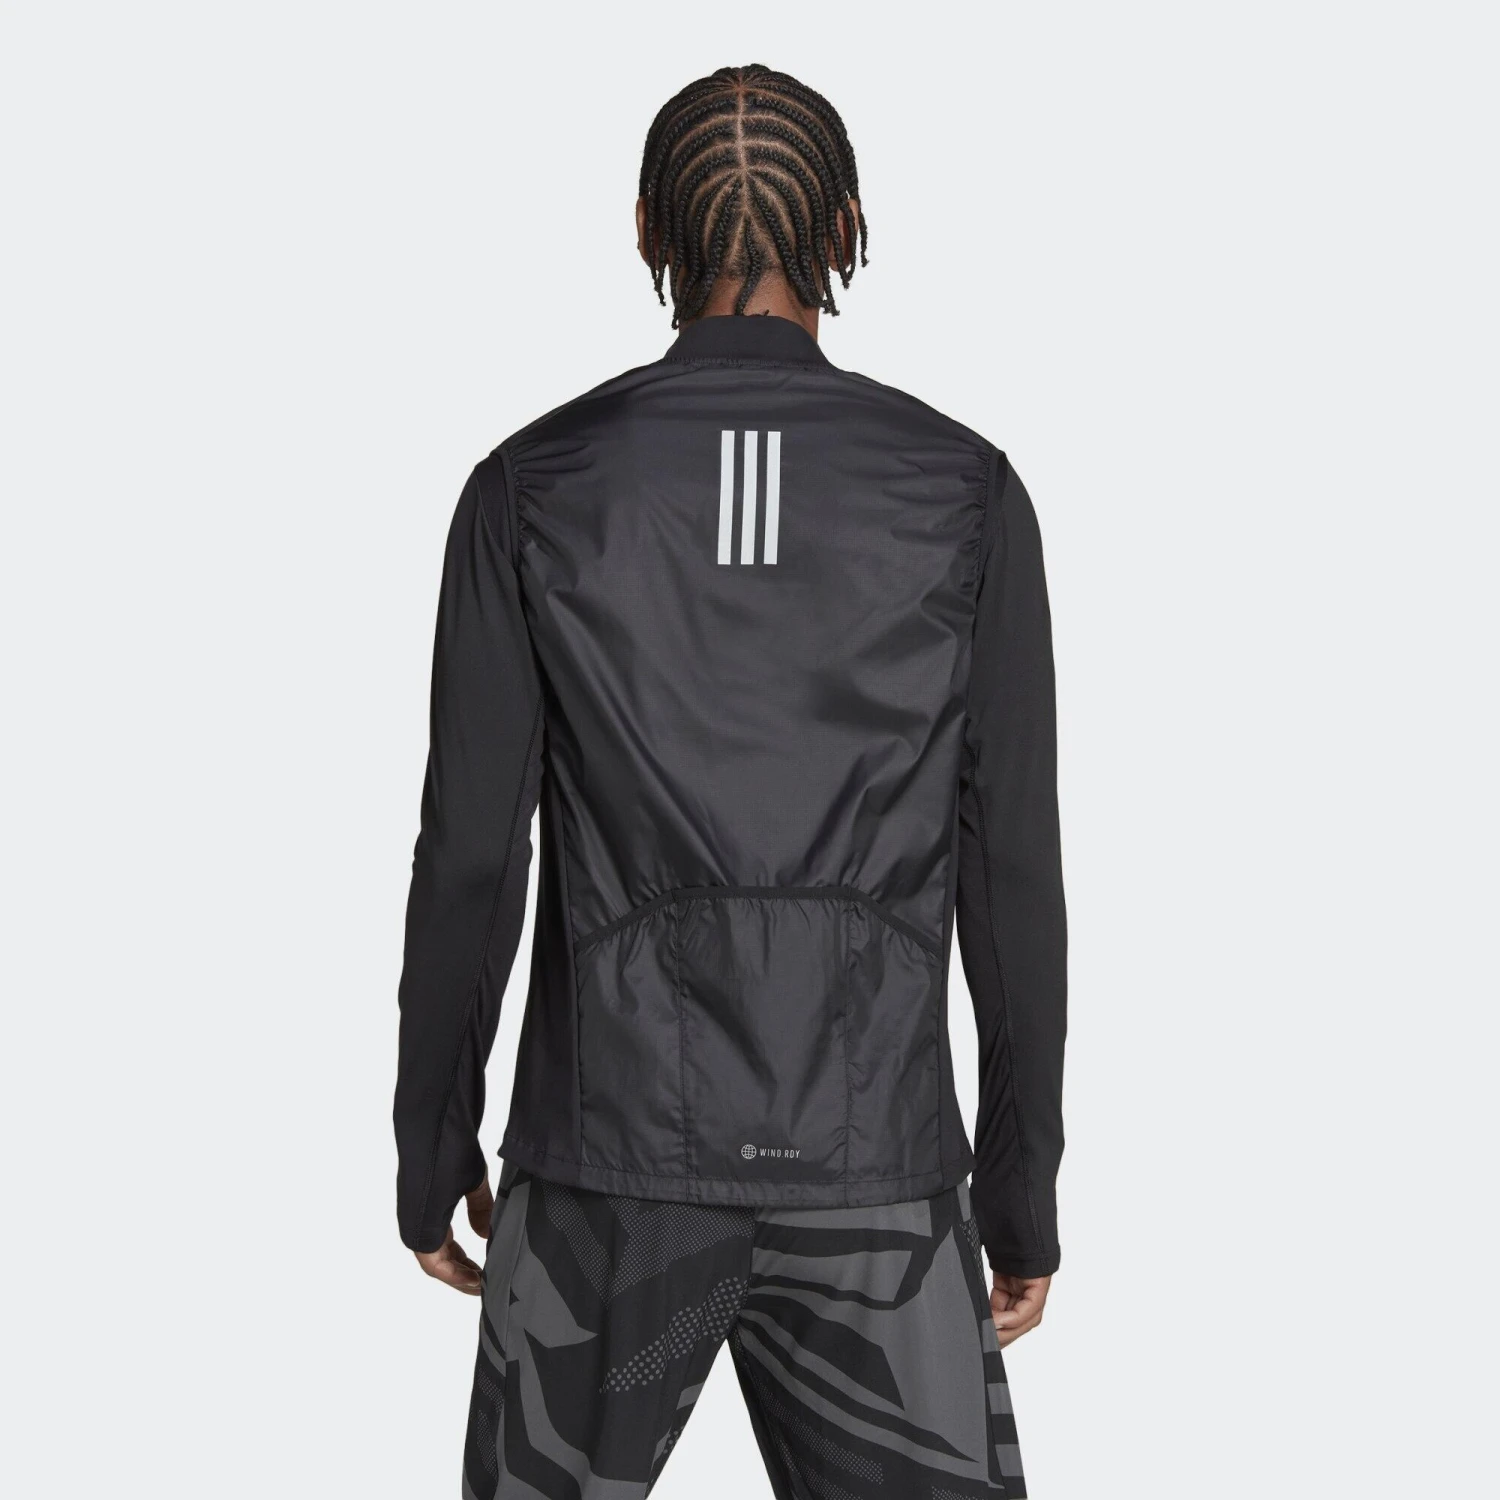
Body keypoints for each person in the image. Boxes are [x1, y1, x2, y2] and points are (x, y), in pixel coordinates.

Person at [394, 64, 1067, 1500]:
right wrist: (1021, 1190)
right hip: (877, 1188)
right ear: (848, 225)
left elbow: (470, 854)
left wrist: (430, 1140)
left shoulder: (533, 485)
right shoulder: (962, 491)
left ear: (649, 229)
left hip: (609, 1182)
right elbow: (1010, 867)